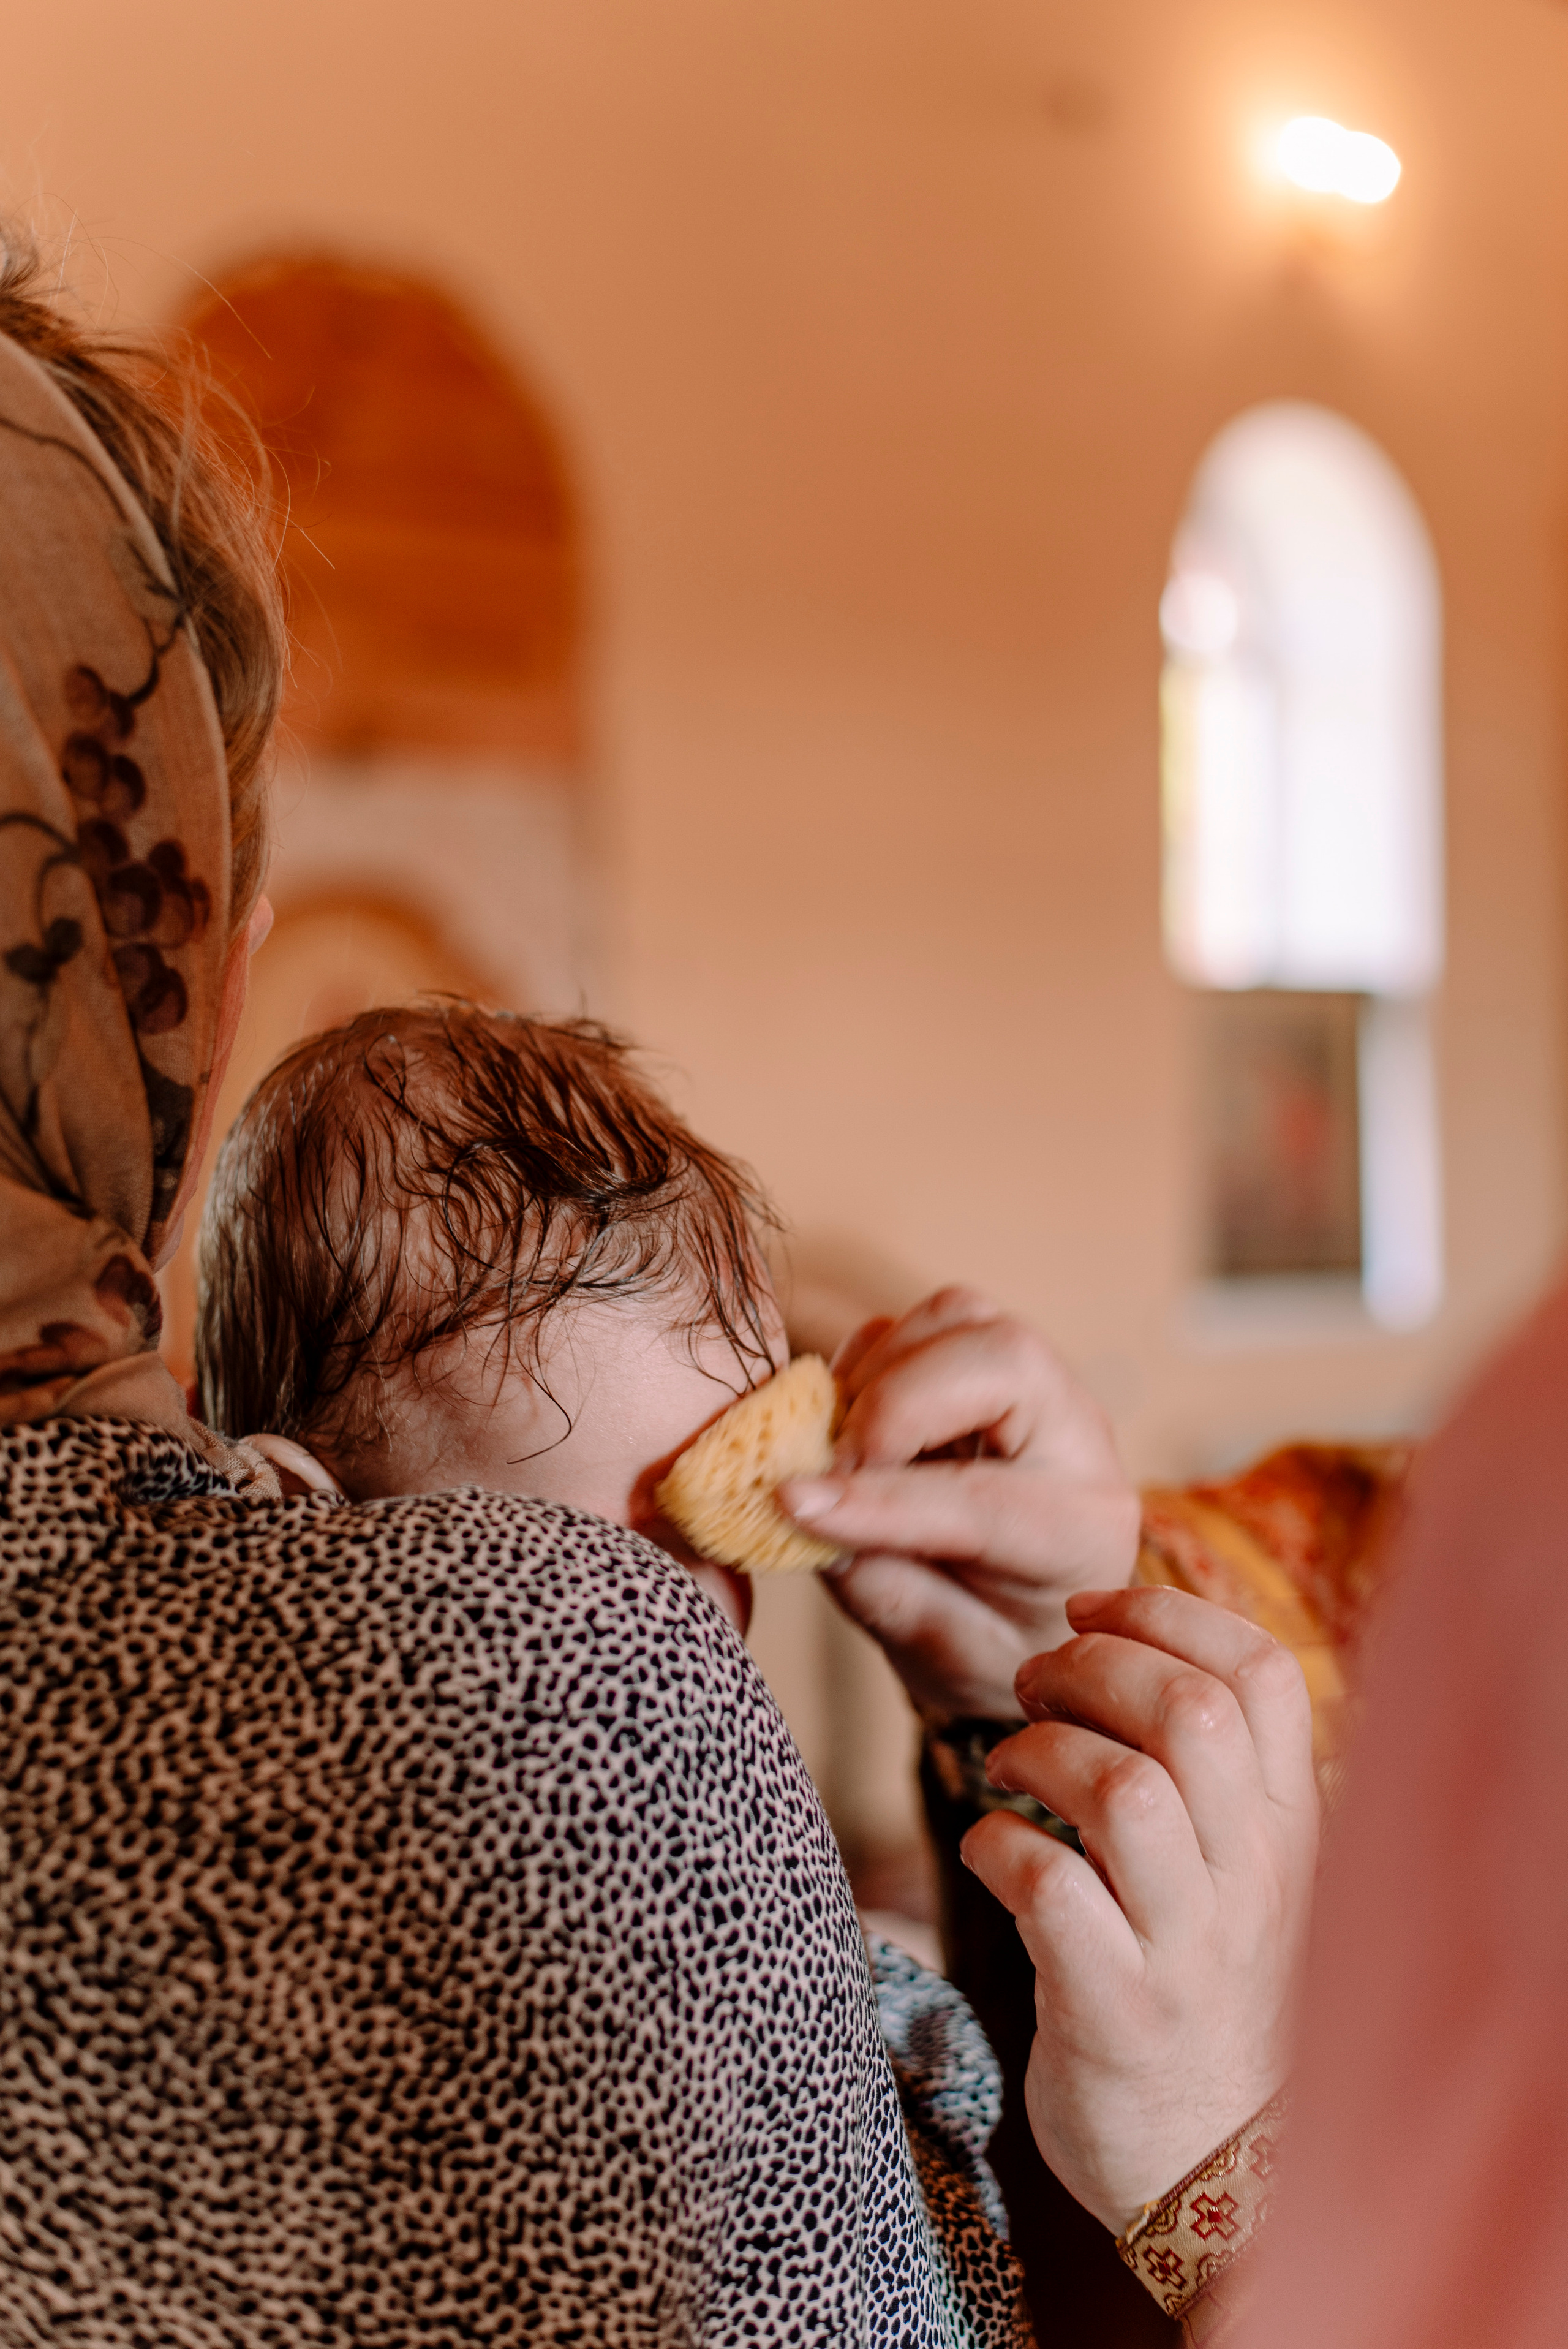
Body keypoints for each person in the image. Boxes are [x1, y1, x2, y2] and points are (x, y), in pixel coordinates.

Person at [0, 230, 1314, 2344]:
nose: (693, 1659)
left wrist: (985, 1750)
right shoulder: (553, 1802)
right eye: (612, 1589)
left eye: (725, 1580)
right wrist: (1220, 2170)